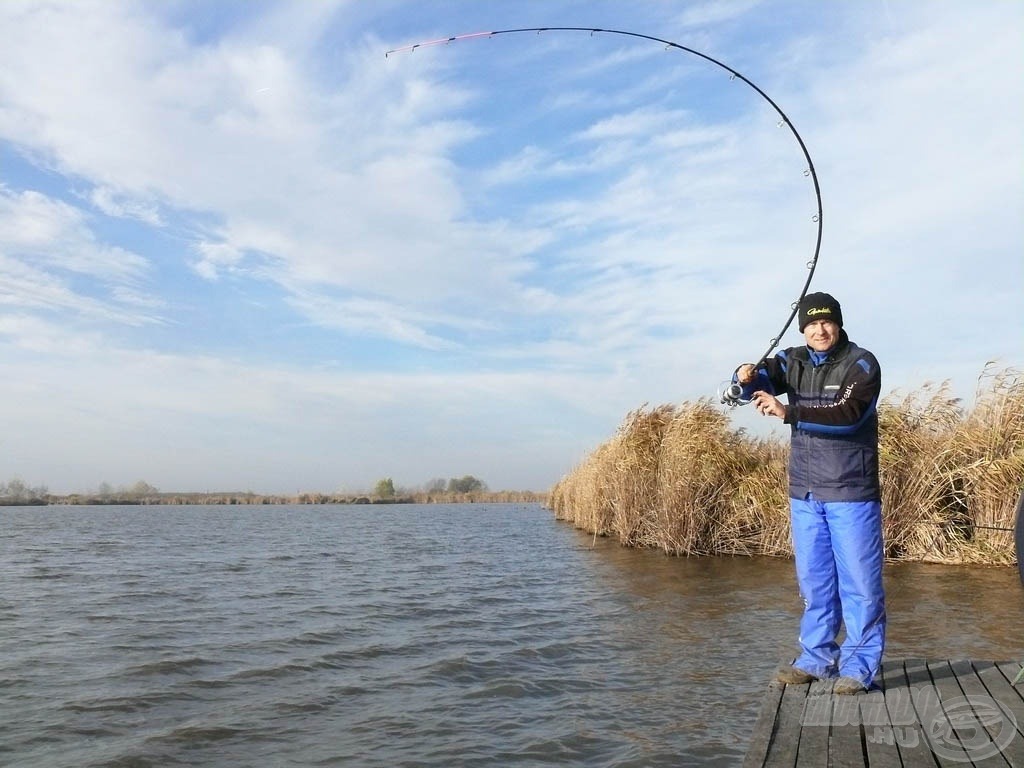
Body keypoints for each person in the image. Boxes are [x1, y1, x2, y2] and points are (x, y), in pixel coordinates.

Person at [731, 292, 885, 695]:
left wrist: (789, 413)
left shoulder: (862, 363)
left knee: (861, 585)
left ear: (838, 324)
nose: (819, 330)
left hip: (851, 491)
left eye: (827, 322)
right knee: (815, 583)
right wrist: (744, 375)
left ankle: (857, 668)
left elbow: (849, 417)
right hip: (806, 492)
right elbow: (756, 383)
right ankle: (817, 659)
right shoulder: (792, 359)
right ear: (803, 327)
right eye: (812, 324)